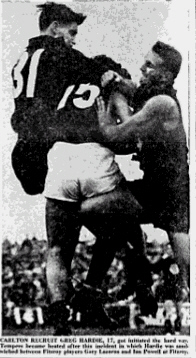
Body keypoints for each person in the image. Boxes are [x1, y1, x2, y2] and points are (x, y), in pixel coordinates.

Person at [11, 2, 155, 334]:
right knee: (125, 223)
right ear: (54, 28)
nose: (74, 40)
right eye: (71, 32)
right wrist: (111, 78)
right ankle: (128, 284)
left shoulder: (26, 61)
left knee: (59, 247)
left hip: (50, 153)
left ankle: (60, 311)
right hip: (88, 156)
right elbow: (121, 129)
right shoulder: (70, 60)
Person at [96, 41, 190, 307]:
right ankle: (139, 275)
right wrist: (117, 81)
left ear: (167, 75)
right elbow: (132, 88)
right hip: (155, 184)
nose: (142, 67)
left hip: (172, 189)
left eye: (150, 65)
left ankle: (140, 276)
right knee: (108, 206)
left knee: (188, 270)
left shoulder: (161, 103)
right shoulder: (153, 96)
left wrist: (105, 120)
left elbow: (116, 136)